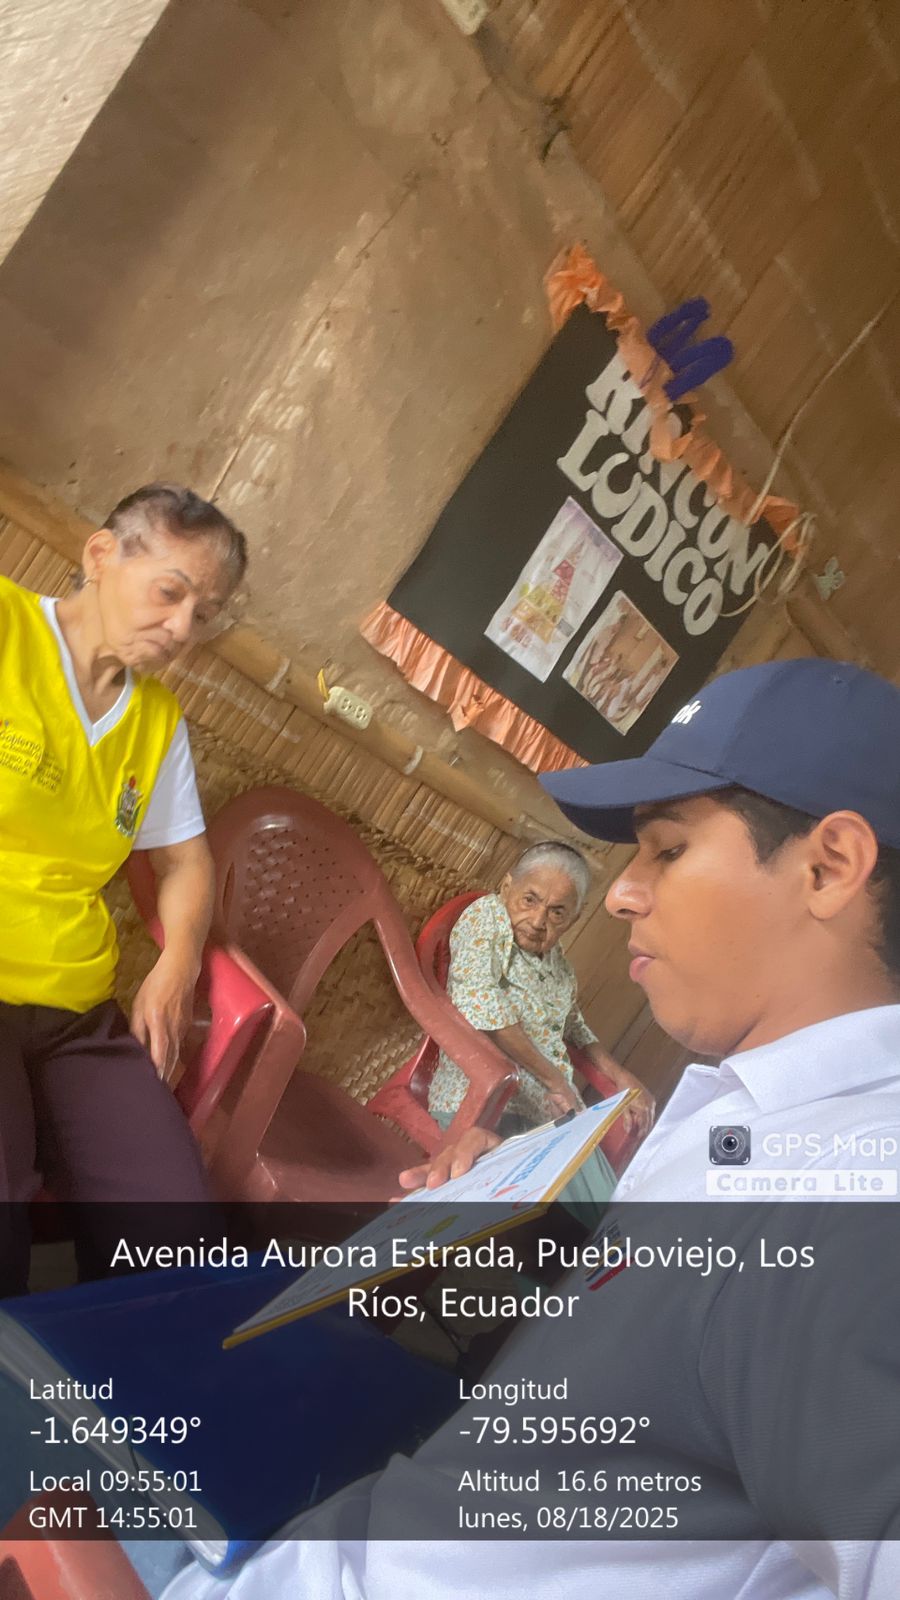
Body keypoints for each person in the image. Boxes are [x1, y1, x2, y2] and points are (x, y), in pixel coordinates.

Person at [163, 658, 900, 1599]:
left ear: (828, 867)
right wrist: (512, 1221)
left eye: (669, 849)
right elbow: (684, 1368)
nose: (623, 894)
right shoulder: (756, 1112)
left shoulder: (851, 1202)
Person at [0, 483, 247, 1287]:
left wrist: (177, 967)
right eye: (170, 593)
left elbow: (185, 861)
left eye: (203, 614)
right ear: (101, 555)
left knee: (175, 1240)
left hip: (75, 1010)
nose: (181, 629)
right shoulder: (7, 628)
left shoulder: (156, 721)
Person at [427, 840, 654, 1136]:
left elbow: (574, 1027)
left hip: (545, 1114)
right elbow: (482, 1004)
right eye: (529, 900)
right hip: (484, 1101)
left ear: (573, 919)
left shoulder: (559, 967)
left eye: (557, 913)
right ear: (507, 887)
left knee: (589, 1159)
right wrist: (556, 1082)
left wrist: (621, 1076)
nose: (537, 921)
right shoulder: (487, 916)